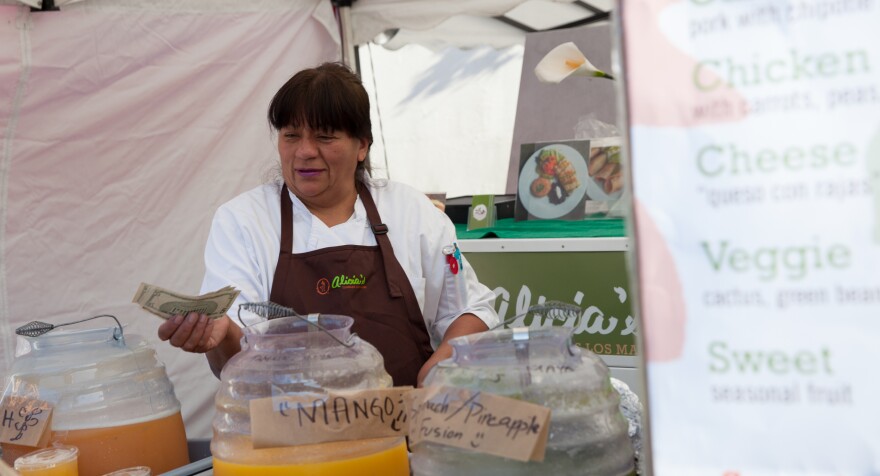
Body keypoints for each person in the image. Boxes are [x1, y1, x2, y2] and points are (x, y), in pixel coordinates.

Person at [157, 62, 499, 387]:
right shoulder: (244, 221)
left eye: (324, 137)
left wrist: (440, 368)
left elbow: (470, 309)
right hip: (291, 436)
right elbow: (232, 358)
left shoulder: (411, 211)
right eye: (291, 136)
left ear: (362, 145)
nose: (305, 151)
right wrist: (220, 334)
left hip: (405, 432)